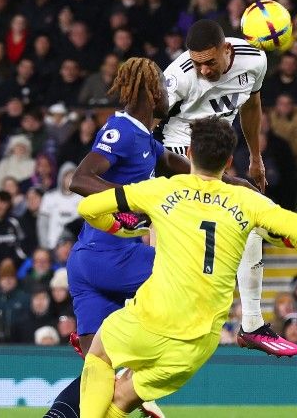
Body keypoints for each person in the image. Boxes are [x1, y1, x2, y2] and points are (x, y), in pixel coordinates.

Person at [77, 117, 297, 417]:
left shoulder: (162, 190)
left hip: (151, 318)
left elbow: (87, 208)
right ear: (229, 160)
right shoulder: (248, 201)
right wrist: (270, 233)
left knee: (99, 355)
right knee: (123, 399)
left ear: (189, 152)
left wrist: (127, 228)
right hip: (199, 341)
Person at [44, 57, 195, 418]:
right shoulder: (122, 131)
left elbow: (186, 171)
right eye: (164, 86)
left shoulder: (145, 140)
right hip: (108, 256)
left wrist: (227, 184)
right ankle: (143, 385)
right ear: (151, 91)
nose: (168, 93)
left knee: (97, 372)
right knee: (186, 287)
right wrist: (129, 202)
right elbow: (79, 179)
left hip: (89, 261)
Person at [157, 19, 282, 357]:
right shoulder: (178, 77)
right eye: (197, 62)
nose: (204, 70)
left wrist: (255, 158)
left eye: (210, 62)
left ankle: (252, 323)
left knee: (249, 223)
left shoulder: (255, 61)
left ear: (227, 50)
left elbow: (252, 107)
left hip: (216, 154)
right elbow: (145, 122)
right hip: (177, 154)